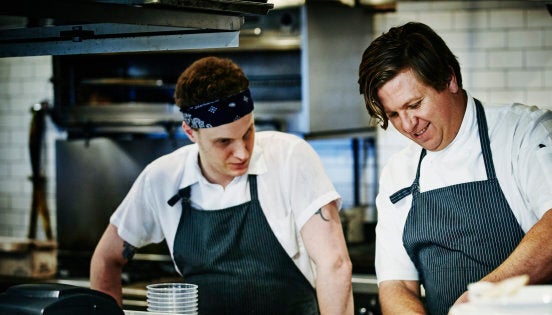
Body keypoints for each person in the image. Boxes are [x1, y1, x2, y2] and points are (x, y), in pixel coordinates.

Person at [357, 22, 552, 315]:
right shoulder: (399, 172)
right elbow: (396, 285)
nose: (408, 125)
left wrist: (479, 302)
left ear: (449, 79)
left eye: (415, 104)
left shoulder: (523, 132)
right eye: (394, 114)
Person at [90, 56, 354, 315]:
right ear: (190, 132)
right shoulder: (163, 178)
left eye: (248, 132)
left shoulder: (289, 158)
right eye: (224, 142)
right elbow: (106, 258)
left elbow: (335, 264)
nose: (242, 153)